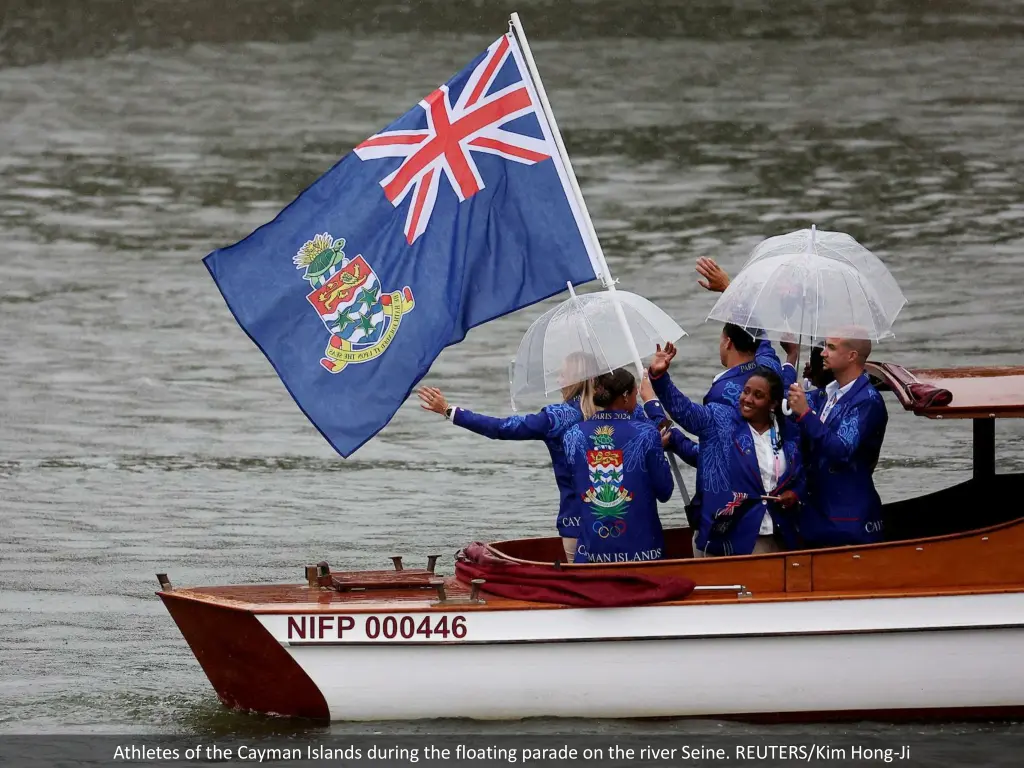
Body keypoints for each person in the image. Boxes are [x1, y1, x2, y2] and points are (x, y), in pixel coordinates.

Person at [417, 356, 670, 563]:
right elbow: (659, 434)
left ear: (575, 379)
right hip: (632, 522)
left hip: (576, 522)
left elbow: (503, 428)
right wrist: (653, 401)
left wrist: (451, 412)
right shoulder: (628, 408)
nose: (558, 379)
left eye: (562, 374)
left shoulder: (558, 418)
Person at [649, 342, 805, 557]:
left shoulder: (788, 431)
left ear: (773, 404)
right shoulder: (720, 420)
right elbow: (683, 410)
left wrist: (794, 493)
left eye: (757, 395)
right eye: (746, 392)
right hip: (732, 537)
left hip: (782, 534)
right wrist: (659, 377)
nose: (747, 399)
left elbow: (801, 476)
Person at [562, 368, 674, 563]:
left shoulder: (573, 435)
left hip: (591, 553)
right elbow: (665, 491)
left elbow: (575, 484)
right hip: (642, 553)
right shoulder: (647, 435)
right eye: (634, 393)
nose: (636, 397)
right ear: (625, 396)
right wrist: (658, 451)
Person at [786, 335, 888, 547]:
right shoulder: (826, 393)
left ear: (851, 356)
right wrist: (790, 357)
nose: (823, 353)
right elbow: (787, 408)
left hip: (848, 521)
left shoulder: (867, 401)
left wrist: (805, 414)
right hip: (815, 514)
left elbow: (840, 449)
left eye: (831, 348)